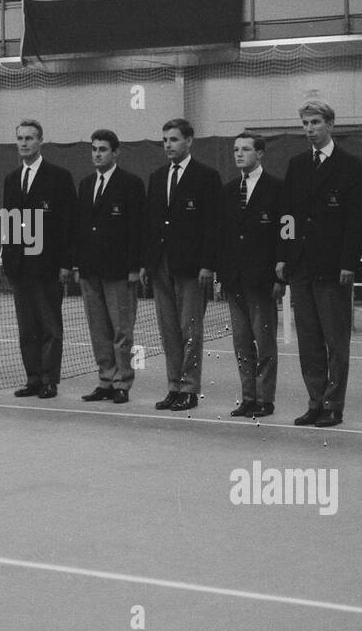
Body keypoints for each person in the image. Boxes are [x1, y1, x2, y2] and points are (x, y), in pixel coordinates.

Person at [276, 101, 362, 427]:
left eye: (315, 122)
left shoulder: (351, 167)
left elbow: (357, 222)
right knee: (309, 341)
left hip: (333, 269)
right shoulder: (297, 164)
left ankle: (333, 405)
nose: (309, 129)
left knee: (335, 341)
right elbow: (286, 215)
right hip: (301, 267)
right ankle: (315, 401)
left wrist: (349, 263)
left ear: (330, 123)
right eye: (304, 123)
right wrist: (284, 257)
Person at [140, 118, 222, 413]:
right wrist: (146, 264)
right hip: (161, 266)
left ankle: (190, 388)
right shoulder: (157, 177)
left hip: (191, 268)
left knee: (190, 331)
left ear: (189, 141)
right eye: (164, 141)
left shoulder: (206, 177)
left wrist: (207, 265)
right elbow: (151, 225)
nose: (168, 145)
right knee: (169, 331)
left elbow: (213, 226)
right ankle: (174, 386)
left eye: (173, 140)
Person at [2, 118, 75, 400]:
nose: (24, 143)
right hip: (19, 269)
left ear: (40, 141)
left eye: (29, 138)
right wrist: (9, 262)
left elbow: (68, 224)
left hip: (48, 268)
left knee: (49, 328)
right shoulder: (11, 179)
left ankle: (48, 380)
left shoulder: (59, 177)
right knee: (27, 328)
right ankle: (33, 377)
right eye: (20, 138)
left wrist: (66, 264)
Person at [73, 129, 145, 405]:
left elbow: (137, 228)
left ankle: (122, 382)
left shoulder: (131, 184)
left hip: (119, 271)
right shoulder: (86, 183)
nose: (97, 154)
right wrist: (79, 263)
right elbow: (81, 227)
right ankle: (105, 379)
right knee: (98, 330)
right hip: (90, 271)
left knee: (121, 331)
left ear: (116, 152)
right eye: (94, 149)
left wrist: (134, 267)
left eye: (103, 149)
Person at [219, 132, 283, 418]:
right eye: (235, 150)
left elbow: (287, 232)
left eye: (245, 149)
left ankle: (265, 399)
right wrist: (223, 276)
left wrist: (281, 275)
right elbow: (223, 238)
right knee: (242, 343)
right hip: (235, 281)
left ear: (260, 154)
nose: (239, 154)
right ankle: (248, 397)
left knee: (265, 343)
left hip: (264, 281)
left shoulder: (278, 189)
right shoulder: (228, 190)